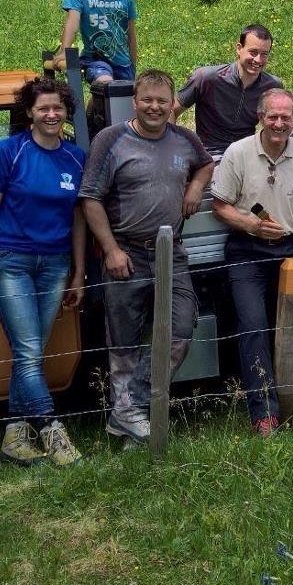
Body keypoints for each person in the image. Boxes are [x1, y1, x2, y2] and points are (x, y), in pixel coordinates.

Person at [79, 70, 215, 445]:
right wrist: (111, 250)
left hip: (171, 253)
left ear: (173, 104)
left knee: (181, 328)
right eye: (147, 100)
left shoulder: (184, 140)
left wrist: (196, 186)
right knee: (123, 341)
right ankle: (132, 426)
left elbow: (205, 164)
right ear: (135, 102)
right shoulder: (112, 140)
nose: (155, 107)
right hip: (127, 252)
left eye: (162, 101)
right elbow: (90, 198)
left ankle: (129, 409)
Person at [212, 89, 293, 436]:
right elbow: (220, 205)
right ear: (260, 117)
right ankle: (263, 413)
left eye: (286, 117)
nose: (279, 123)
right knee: (253, 327)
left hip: (291, 249)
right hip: (247, 252)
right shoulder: (238, 153)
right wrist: (252, 225)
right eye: (273, 116)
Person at [0, 77, 87, 467]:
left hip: (55, 265)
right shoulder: (9, 152)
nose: (51, 115)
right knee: (27, 350)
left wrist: (78, 273)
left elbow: (78, 220)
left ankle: (14, 437)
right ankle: (52, 430)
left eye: (57, 108)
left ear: (66, 111)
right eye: (44, 109)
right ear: (29, 113)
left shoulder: (75, 157)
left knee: (30, 354)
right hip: (12, 262)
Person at [174, 24, 283, 155]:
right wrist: (172, 145)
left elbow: (280, 120)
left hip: (248, 151)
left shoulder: (271, 86)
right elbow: (171, 111)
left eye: (264, 54)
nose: (258, 60)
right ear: (239, 48)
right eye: (253, 52)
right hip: (212, 153)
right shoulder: (207, 78)